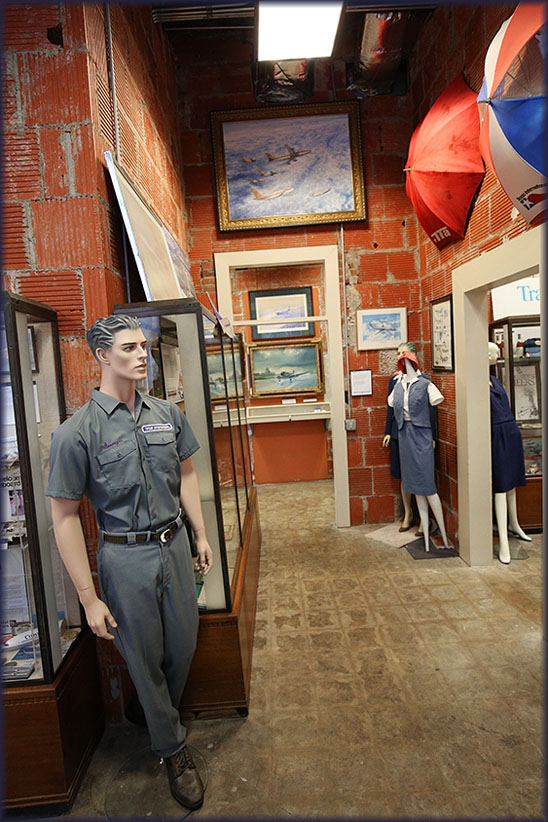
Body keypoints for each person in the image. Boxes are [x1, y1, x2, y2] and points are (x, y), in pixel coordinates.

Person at [46, 314, 213, 811]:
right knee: (141, 655)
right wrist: (88, 596)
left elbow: (186, 476)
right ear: (102, 355)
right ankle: (173, 747)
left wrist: (200, 534)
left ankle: (149, 706)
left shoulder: (166, 413)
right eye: (128, 348)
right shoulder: (76, 433)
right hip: (125, 557)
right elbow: (64, 518)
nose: (142, 355)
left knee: (181, 646)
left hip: (175, 546)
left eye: (144, 345)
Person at [387, 349, 450, 552]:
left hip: (422, 436)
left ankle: (444, 536)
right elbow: (391, 406)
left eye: (407, 361)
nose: (404, 365)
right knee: (413, 485)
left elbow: (435, 405)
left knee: (427, 485)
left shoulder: (426, 385)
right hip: (404, 436)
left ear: (413, 363)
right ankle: (424, 536)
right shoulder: (397, 386)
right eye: (401, 362)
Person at [382, 342, 437, 534]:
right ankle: (408, 514)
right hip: (400, 431)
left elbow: (432, 411)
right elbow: (390, 407)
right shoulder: (395, 381)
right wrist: (388, 431)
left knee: (423, 473)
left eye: (402, 353)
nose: (399, 357)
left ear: (413, 356)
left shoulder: (425, 381)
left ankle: (425, 520)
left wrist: (433, 436)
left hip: (421, 433)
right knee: (403, 475)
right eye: (398, 354)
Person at [488, 341, 531, 564]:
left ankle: (515, 525)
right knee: (501, 485)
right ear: (487, 356)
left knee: (512, 483)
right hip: (496, 436)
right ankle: (503, 539)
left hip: (510, 432)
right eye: (495, 352)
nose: (498, 354)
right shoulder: (481, 385)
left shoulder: (495, 381)